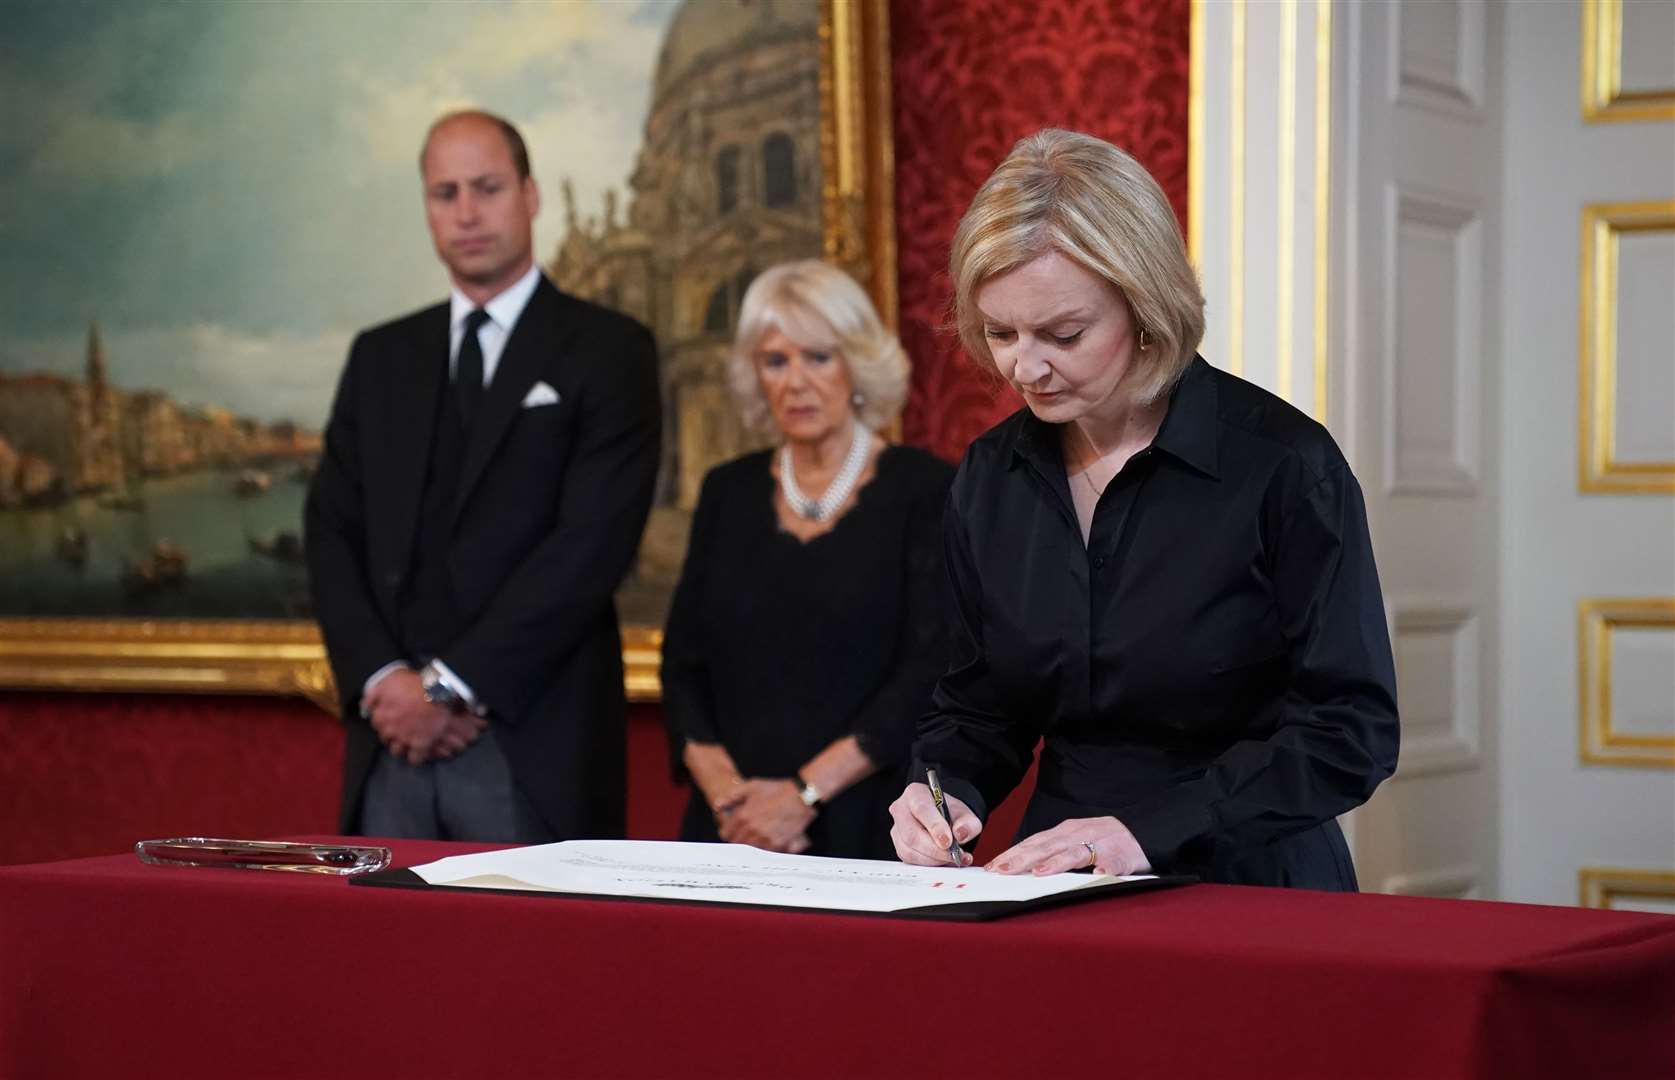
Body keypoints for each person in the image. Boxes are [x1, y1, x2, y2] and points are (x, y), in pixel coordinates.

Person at [889, 129, 1398, 889]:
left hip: (1252, 883)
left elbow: (1347, 733)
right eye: (999, 333)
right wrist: (940, 792)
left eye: (1063, 333)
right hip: (1057, 888)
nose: (1023, 367)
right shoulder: (991, 476)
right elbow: (976, 704)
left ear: (1146, 306)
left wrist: (1144, 833)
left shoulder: (1283, 467)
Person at [305, 110, 661, 843]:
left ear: (530, 196)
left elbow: (590, 546)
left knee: (532, 959)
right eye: (445, 193)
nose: (466, 213)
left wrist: (449, 687)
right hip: (390, 742)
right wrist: (385, 684)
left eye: (487, 187)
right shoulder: (381, 357)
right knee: (381, 957)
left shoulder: (609, 349)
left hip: (533, 740)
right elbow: (330, 530)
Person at [661, 260, 954, 859]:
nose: (796, 381)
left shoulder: (925, 490)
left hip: (867, 823)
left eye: (818, 357)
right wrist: (733, 804)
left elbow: (928, 675)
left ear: (857, 366)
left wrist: (801, 795)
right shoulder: (727, 492)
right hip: (730, 830)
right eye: (775, 361)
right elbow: (682, 668)